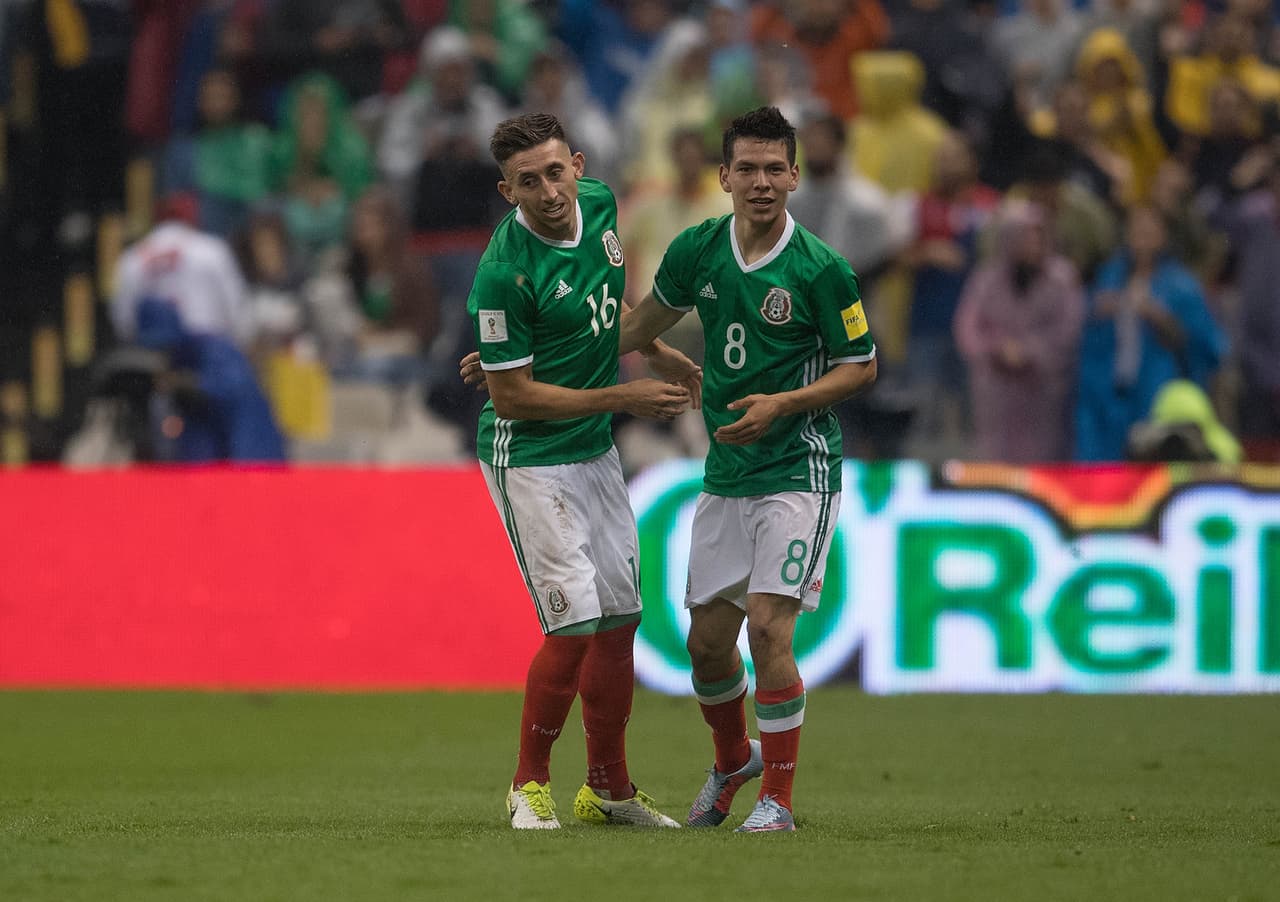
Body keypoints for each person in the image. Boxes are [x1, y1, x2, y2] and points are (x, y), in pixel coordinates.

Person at [617, 106, 879, 832]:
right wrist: (530, 353)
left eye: (775, 169)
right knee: (705, 644)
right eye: (747, 169)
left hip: (801, 466)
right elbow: (637, 329)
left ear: (793, 174)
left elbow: (862, 366)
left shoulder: (822, 269)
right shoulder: (696, 249)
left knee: (768, 629)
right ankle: (735, 759)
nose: (761, 182)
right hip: (726, 472)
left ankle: (778, 802)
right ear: (723, 176)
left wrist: (785, 403)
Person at [465, 112, 699, 830]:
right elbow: (512, 394)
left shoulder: (600, 204)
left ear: (579, 164)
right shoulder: (503, 273)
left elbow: (606, 308)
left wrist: (651, 347)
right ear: (508, 191)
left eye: (555, 171)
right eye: (527, 181)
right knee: (571, 625)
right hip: (529, 452)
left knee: (621, 620)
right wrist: (625, 393)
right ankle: (526, 785)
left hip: (592, 446)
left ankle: (608, 789)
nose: (548, 190)